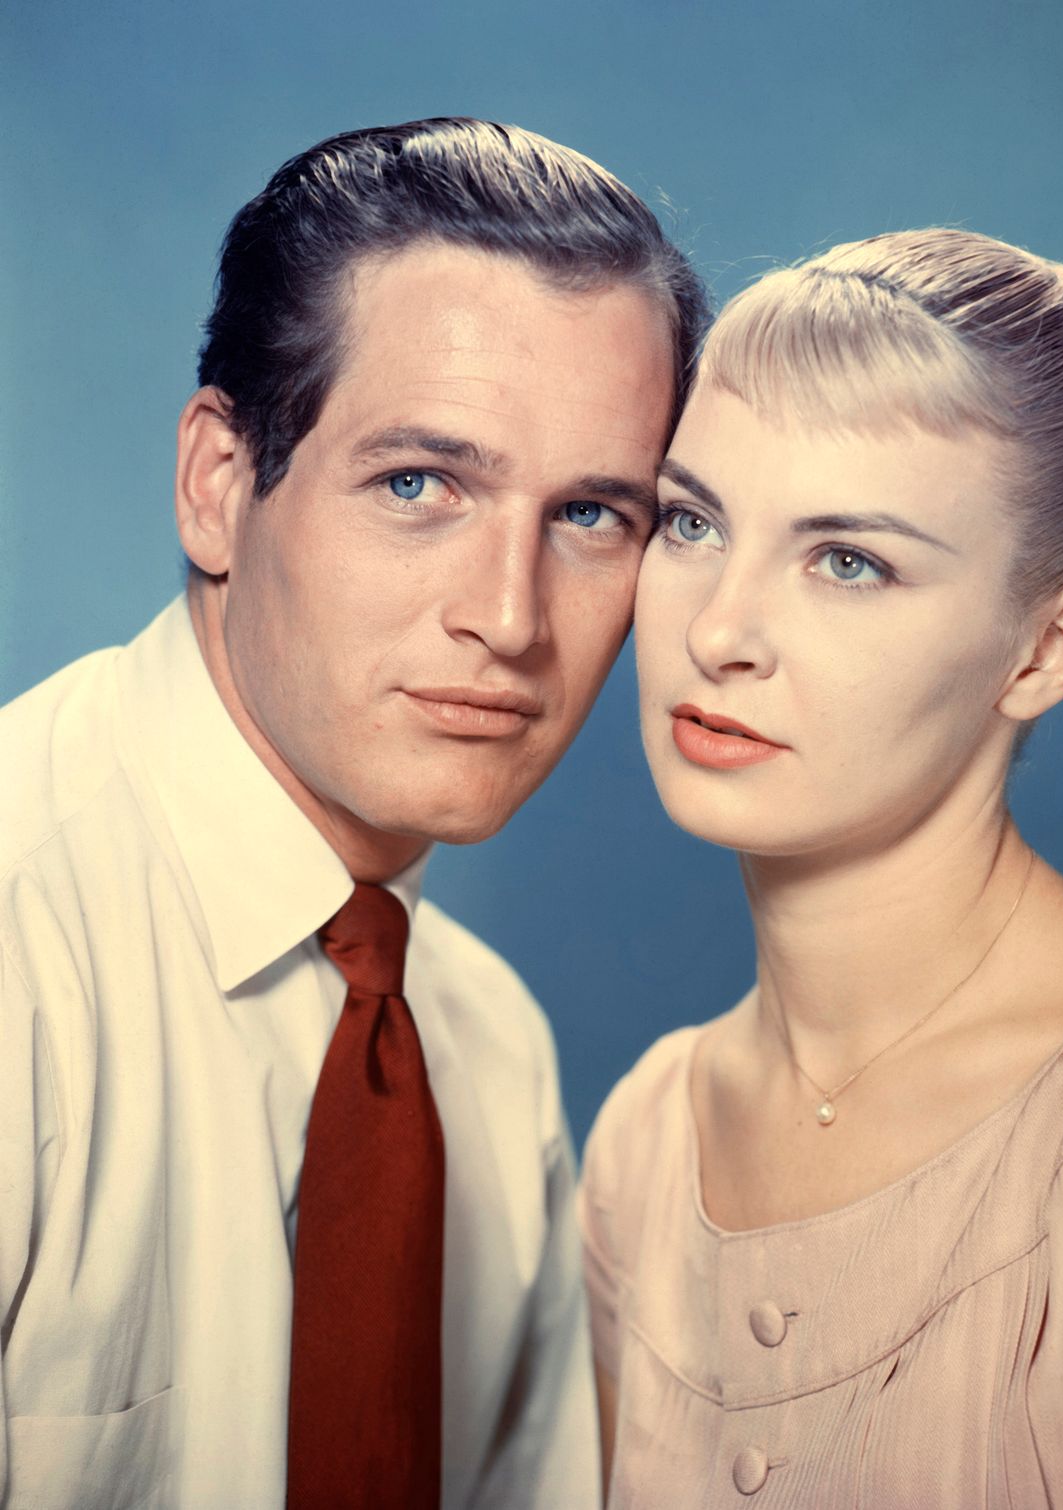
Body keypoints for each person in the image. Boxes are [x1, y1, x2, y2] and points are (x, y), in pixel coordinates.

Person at [0, 118, 707, 1510]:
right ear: (219, 485)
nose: (508, 618)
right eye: (417, 484)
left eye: (591, 517)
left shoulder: (489, 1055)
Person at [579, 228, 1063, 1507]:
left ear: (1045, 649)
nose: (720, 628)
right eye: (691, 521)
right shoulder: (645, 1139)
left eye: (847, 560)